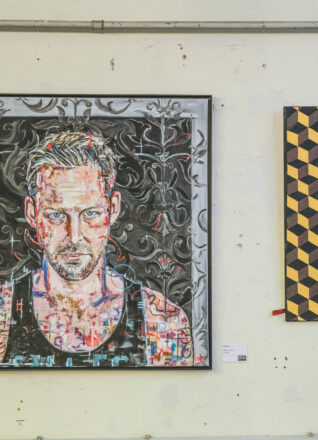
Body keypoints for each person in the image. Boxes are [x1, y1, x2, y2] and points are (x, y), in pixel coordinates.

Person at [0, 131, 193, 367]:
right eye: (56, 215)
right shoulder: (3, 313)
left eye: (90, 213)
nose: (74, 236)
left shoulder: (163, 321)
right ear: (32, 213)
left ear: (113, 208)